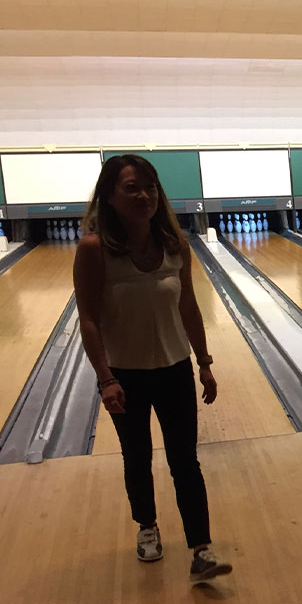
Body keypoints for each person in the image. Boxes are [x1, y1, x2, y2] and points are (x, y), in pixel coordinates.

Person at [73, 154, 232, 582]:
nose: (144, 195)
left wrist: (204, 363)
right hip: (125, 376)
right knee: (137, 457)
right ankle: (147, 527)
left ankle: (201, 549)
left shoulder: (175, 244)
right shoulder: (94, 250)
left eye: (150, 187)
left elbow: (188, 306)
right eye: (131, 188)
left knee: (186, 461)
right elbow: (87, 317)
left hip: (175, 369)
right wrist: (105, 378)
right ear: (109, 195)